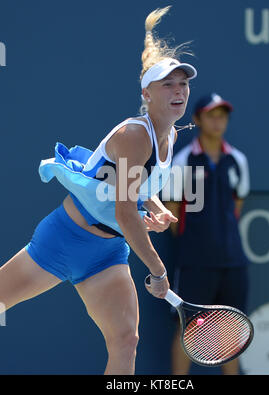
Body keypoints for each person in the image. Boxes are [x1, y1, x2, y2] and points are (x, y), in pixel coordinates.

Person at [0, 6, 197, 375]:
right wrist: (157, 270)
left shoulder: (169, 136)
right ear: (147, 94)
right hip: (64, 240)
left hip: (106, 254)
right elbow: (124, 212)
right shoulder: (135, 135)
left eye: (183, 84)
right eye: (168, 84)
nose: (178, 91)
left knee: (126, 341)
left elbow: (135, 188)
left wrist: (154, 207)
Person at [166, 93, 250, 375]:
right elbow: (172, 214)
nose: (218, 121)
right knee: (187, 328)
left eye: (222, 115)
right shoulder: (182, 161)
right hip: (194, 263)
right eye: (211, 115)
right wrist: (199, 242)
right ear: (197, 119)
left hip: (233, 262)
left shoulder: (237, 160)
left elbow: (236, 206)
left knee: (231, 329)